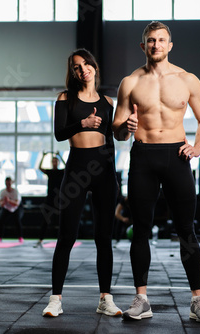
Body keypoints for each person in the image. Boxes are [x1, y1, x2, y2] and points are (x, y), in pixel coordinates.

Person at [112, 21, 200, 322]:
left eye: (161, 40)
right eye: (150, 40)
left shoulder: (187, 80)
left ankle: (197, 301)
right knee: (140, 230)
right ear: (143, 46)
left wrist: (196, 146)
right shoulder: (129, 82)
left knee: (186, 230)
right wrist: (124, 128)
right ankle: (141, 299)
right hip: (143, 156)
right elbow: (117, 130)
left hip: (176, 156)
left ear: (170, 45)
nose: (156, 45)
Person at [42, 48, 121, 318]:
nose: (82, 69)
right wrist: (83, 123)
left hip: (104, 171)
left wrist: (128, 126)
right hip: (76, 169)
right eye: (76, 66)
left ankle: (105, 298)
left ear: (94, 67)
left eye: (86, 64)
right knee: (66, 236)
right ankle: (55, 299)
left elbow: (115, 138)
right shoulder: (66, 98)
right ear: (73, 72)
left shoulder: (109, 102)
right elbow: (59, 133)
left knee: (104, 239)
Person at [35, 153, 65, 248]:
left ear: (58, 162)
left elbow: (68, 166)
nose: (54, 162)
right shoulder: (50, 172)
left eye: (56, 161)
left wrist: (60, 156)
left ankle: (63, 238)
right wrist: (43, 156)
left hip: (59, 199)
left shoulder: (61, 171)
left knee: (62, 219)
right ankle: (40, 239)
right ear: (51, 163)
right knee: (46, 219)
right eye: (53, 161)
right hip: (50, 198)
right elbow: (40, 167)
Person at [0, 176, 24, 243]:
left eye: (9, 183)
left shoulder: (15, 192)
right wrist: (5, 201)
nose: (8, 185)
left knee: (17, 220)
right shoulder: (2, 192)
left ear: (11, 183)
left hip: (16, 208)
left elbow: (16, 204)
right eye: (7, 183)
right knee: (0, 219)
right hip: (7, 208)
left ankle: (20, 237)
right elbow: (1, 204)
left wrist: (9, 201)